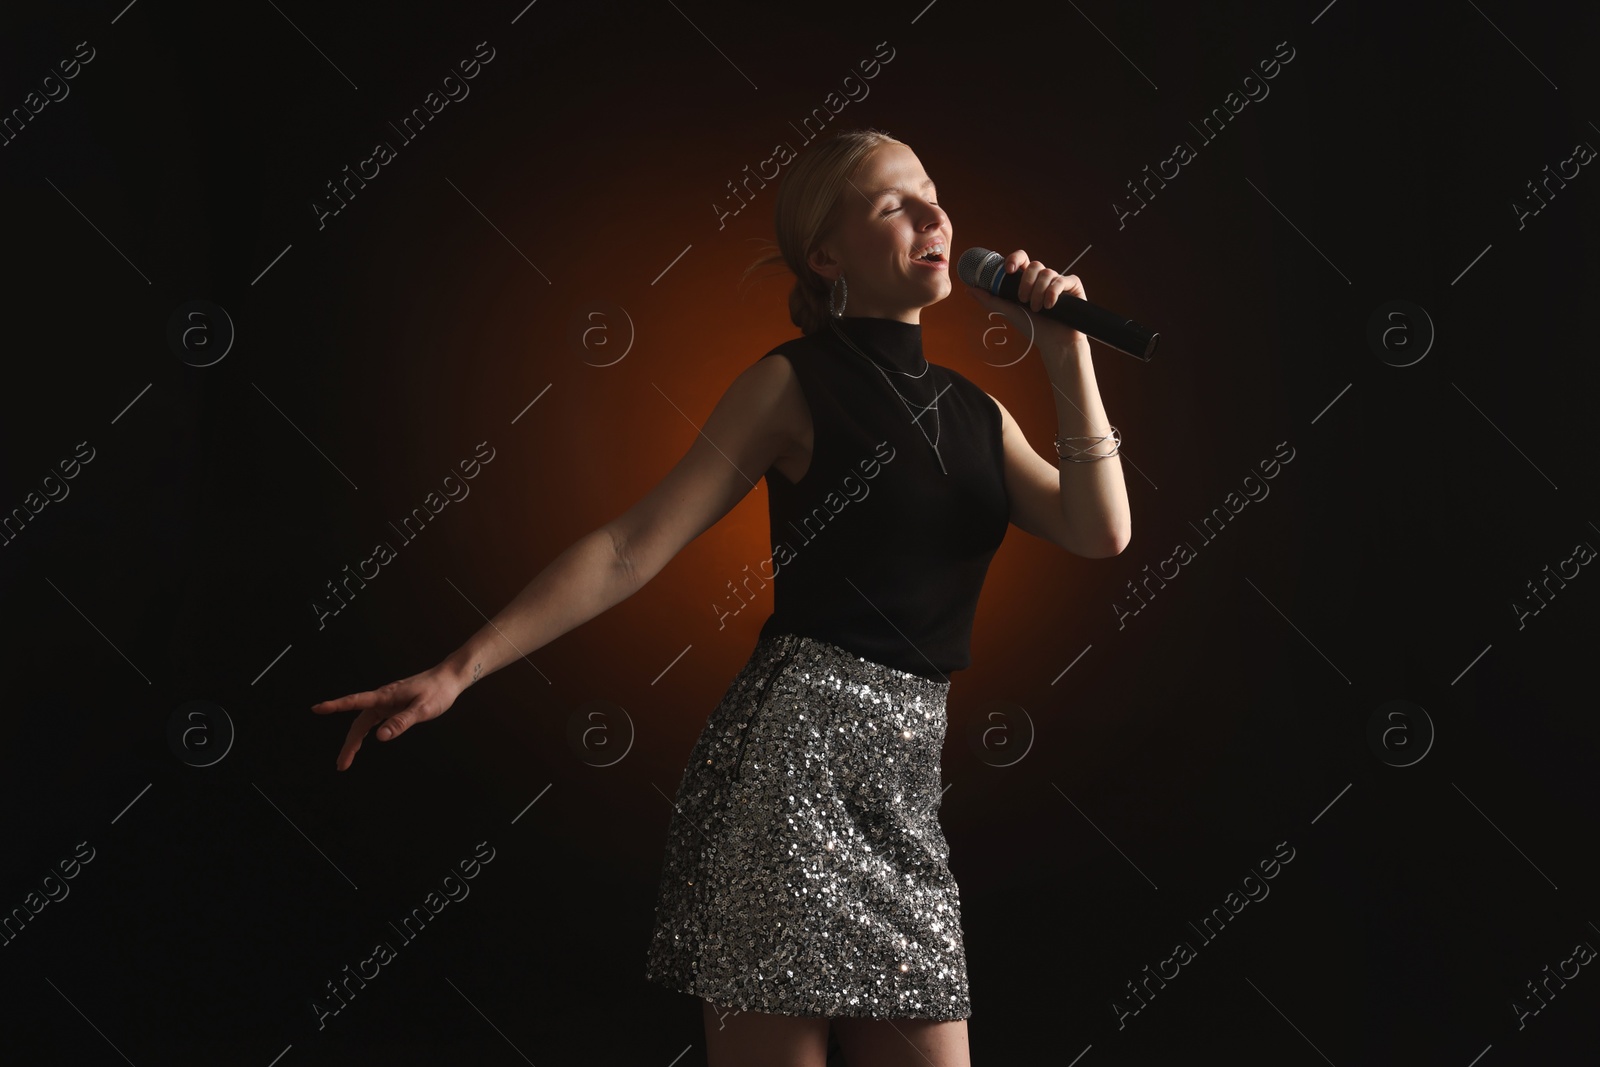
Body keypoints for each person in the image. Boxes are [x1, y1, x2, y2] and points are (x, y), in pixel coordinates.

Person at [311, 127, 1131, 1067]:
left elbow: (1099, 530)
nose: (934, 215)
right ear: (826, 255)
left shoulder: (977, 413)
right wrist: (456, 671)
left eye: (934, 194)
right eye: (893, 203)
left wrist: (1068, 356)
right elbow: (629, 547)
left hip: (903, 786)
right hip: (789, 772)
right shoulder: (793, 383)